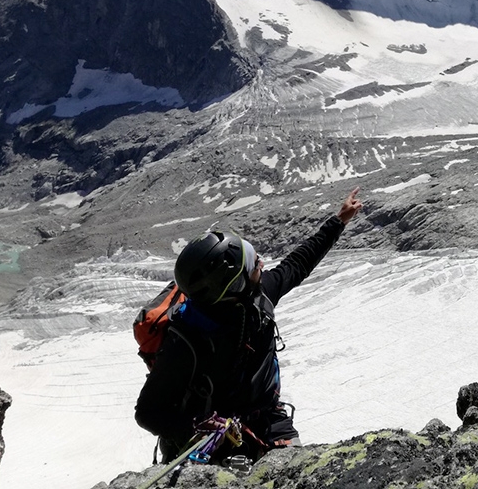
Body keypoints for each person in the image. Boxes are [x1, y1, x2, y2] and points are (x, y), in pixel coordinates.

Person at [135, 187, 363, 461]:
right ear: (235, 284)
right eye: (254, 264)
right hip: (211, 438)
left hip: (266, 419)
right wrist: (197, 427)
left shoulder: (258, 294)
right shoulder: (187, 338)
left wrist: (338, 221)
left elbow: (298, 263)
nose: (262, 264)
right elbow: (148, 412)